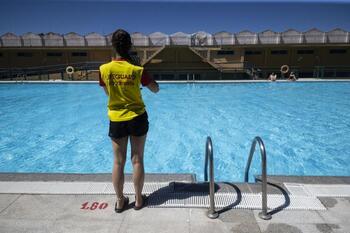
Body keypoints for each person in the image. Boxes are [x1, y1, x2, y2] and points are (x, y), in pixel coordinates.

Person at [99, 29, 159, 213]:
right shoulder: (137, 70)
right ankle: (139, 200)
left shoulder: (104, 69)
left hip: (116, 119)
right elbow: (155, 89)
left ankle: (119, 201)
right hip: (137, 117)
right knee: (137, 159)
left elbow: (108, 92)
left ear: (113, 45)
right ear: (130, 45)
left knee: (118, 162)